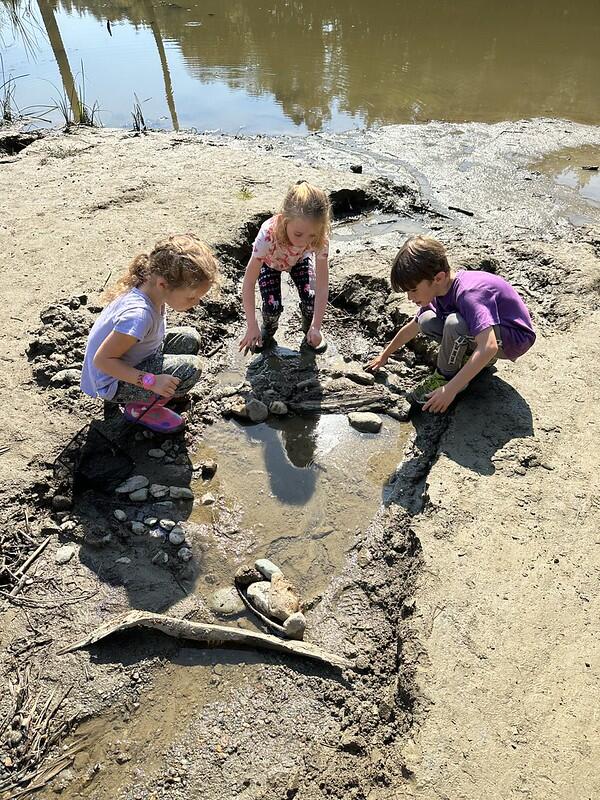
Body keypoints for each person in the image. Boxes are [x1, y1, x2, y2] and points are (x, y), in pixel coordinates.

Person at [366, 235, 535, 413]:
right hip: (490, 333)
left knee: (455, 323)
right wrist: (385, 355)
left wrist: (450, 390)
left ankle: (445, 378)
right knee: (426, 320)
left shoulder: (468, 293)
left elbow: (489, 346)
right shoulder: (440, 290)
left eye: (413, 290)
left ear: (438, 278)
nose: (410, 297)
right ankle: (470, 360)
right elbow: (413, 327)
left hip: (514, 339)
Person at [81, 233, 220, 432]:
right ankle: (139, 408)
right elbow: (102, 361)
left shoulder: (149, 287)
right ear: (163, 284)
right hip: (111, 382)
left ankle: (152, 393)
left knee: (190, 338)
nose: (196, 303)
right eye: (191, 297)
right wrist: (152, 382)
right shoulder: (139, 316)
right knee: (191, 369)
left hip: (133, 357)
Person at [239, 180, 332, 355]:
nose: (304, 240)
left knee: (310, 299)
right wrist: (252, 325)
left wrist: (317, 325)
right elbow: (249, 282)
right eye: (298, 234)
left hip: (299, 261)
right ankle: (268, 330)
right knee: (272, 306)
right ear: (284, 220)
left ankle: (309, 332)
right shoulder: (268, 235)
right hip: (270, 262)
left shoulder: (320, 239)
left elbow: (322, 285)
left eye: (312, 235)